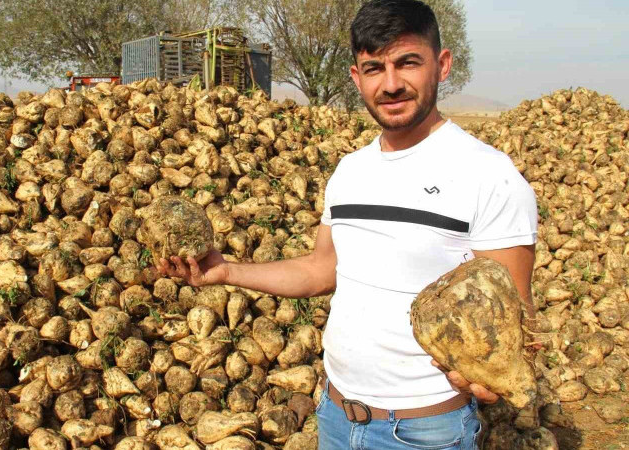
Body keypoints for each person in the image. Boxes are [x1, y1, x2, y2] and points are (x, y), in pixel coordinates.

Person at [156, 0, 538, 448]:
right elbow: (322, 270)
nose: (391, 84)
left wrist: (491, 376)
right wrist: (227, 271)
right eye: (374, 68)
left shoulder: (490, 175)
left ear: (443, 64)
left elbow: (515, 316)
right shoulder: (350, 171)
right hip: (336, 418)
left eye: (407, 63)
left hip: (424, 431)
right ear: (357, 77)